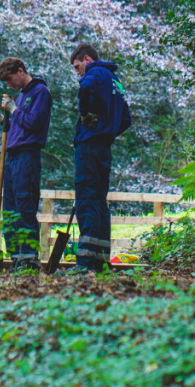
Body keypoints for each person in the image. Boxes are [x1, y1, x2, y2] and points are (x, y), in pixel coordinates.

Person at [65, 44, 131, 275]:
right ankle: (101, 260)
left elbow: (86, 86)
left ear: (86, 59)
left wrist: (85, 115)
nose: (77, 72)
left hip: (89, 146)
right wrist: (108, 130)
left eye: (77, 66)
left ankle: (85, 263)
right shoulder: (115, 81)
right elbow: (126, 119)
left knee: (87, 198)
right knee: (100, 202)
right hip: (104, 148)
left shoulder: (93, 74)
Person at [0, 57, 53, 271]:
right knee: (10, 209)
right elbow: (19, 127)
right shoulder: (23, 95)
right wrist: (1, 118)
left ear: (20, 71)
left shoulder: (39, 92)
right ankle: (16, 257)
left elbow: (34, 124)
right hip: (13, 156)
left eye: (10, 80)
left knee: (24, 206)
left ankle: (28, 259)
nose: (9, 85)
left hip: (27, 155)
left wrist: (14, 109)